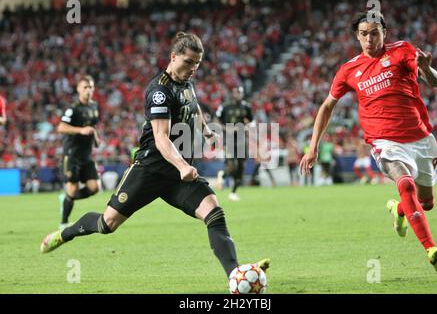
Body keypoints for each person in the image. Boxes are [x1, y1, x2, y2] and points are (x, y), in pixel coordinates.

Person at [40, 32, 269, 280]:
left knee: (214, 212)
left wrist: (207, 131)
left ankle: (235, 276)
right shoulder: (159, 91)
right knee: (107, 224)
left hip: (177, 176)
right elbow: (161, 138)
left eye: (197, 64)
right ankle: (65, 233)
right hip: (150, 170)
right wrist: (182, 166)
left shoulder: (187, 84)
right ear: (173, 57)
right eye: (188, 62)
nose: (193, 68)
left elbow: (194, 107)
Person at [300, 11, 437, 273]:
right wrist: (313, 147)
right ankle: (431, 248)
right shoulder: (348, 70)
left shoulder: (402, 51)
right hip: (385, 142)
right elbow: (327, 106)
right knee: (405, 184)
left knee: (426, 203)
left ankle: (399, 210)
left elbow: (435, 82)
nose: (370, 38)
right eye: (364, 33)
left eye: (375, 32)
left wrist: (425, 69)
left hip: (421, 138)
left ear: (384, 33)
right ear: (357, 36)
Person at [57, 75, 101, 229]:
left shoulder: (94, 107)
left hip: (87, 155)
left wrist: (95, 137)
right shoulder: (73, 108)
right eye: (85, 87)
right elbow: (61, 127)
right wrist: (81, 130)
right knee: (73, 188)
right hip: (72, 155)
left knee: (94, 188)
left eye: (90, 87)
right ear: (78, 89)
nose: (88, 90)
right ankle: (63, 222)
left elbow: (93, 126)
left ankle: (67, 198)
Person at [215, 85, 253, 201]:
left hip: (241, 139)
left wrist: (247, 127)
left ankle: (233, 192)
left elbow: (250, 121)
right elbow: (216, 120)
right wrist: (227, 128)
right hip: (229, 139)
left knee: (241, 167)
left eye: (240, 93)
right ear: (233, 93)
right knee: (232, 165)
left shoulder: (246, 106)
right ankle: (222, 175)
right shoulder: (225, 106)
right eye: (236, 93)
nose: (238, 95)